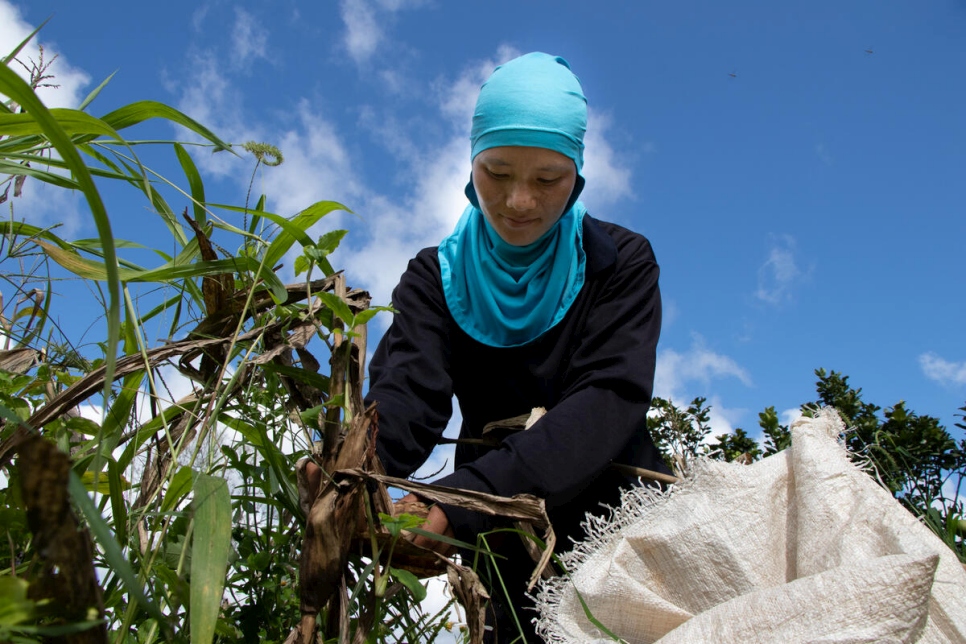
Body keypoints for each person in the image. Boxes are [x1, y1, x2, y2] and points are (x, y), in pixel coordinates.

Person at [366, 52, 668, 642]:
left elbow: (607, 401)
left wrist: (463, 501)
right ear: (471, 165)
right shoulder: (436, 279)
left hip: (618, 526)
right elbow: (409, 393)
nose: (518, 202)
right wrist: (358, 475)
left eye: (547, 179)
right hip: (504, 552)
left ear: (576, 177)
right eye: (497, 174)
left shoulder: (620, 264)